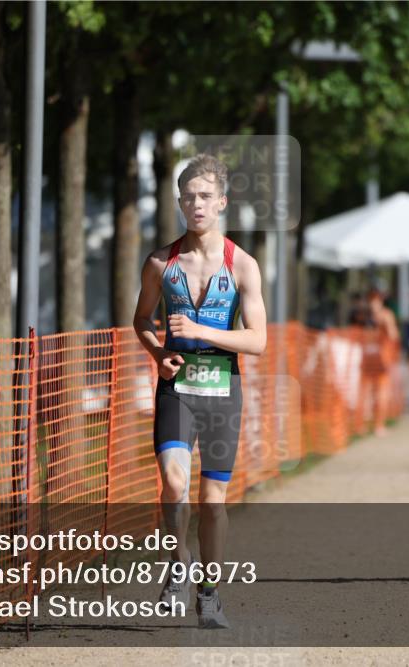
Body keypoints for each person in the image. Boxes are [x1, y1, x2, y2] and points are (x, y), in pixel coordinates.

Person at [132, 154, 267, 627]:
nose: (197, 205)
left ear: (222, 202)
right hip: (178, 390)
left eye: (206, 196)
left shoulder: (243, 266)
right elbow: (141, 319)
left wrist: (200, 331)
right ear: (179, 203)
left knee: (213, 502)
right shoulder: (160, 263)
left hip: (223, 392)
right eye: (189, 197)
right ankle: (177, 567)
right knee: (172, 482)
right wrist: (156, 353)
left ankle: (209, 593)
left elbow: (258, 341)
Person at [366, 288, 400, 435]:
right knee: (369, 391)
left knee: (382, 391)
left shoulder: (386, 315)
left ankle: (379, 424)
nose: (373, 305)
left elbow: (393, 335)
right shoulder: (368, 316)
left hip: (383, 357)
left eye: (375, 302)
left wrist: (386, 325)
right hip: (370, 357)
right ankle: (370, 423)